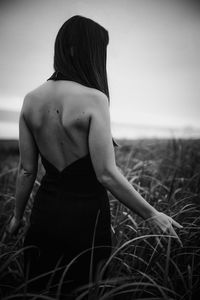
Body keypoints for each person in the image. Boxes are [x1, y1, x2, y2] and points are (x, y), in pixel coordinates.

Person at [5, 15, 183, 299]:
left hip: (45, 215)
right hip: (86, 219)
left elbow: (27, 170)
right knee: (85, 290)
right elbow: (105, 173)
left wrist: (16, 217)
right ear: (84, 50)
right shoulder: (94, 98)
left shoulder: (30, 100)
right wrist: (152, 214)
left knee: (40, 290)